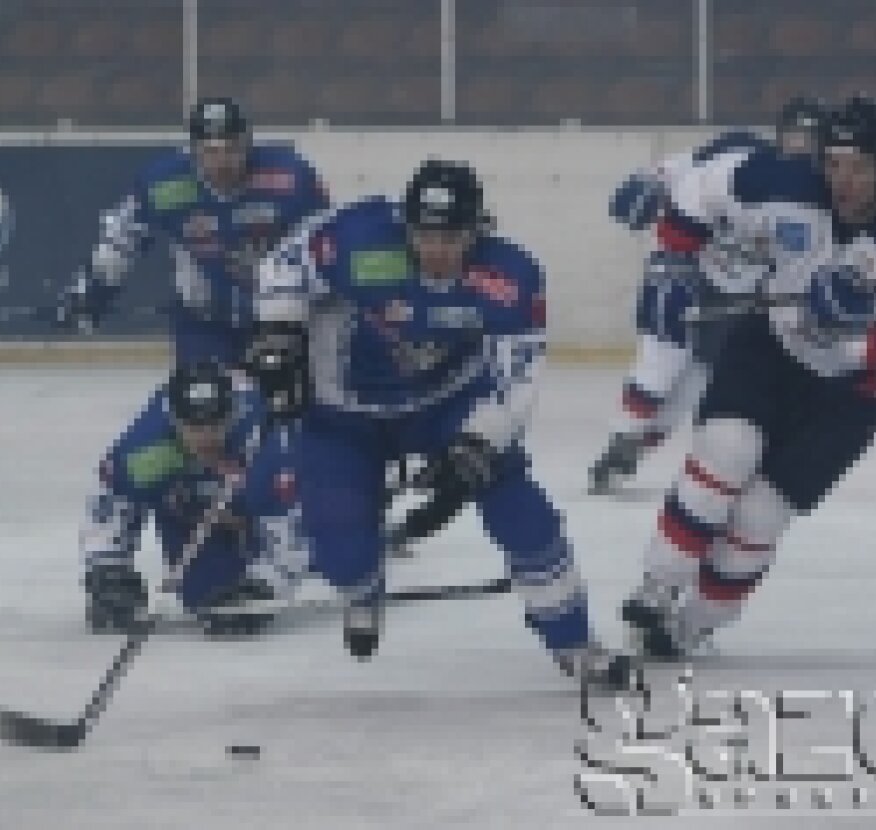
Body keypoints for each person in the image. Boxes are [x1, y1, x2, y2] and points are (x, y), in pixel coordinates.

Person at [253, 159, 633, 689]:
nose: (435, 250)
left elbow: (516, 380)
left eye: (450, 237)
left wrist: (474, 448)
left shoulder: (510, 277)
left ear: (478, 228)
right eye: (422, 235)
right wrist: (280, 337)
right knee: (340, 552)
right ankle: (362, 589)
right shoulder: (357, 235)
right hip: (342, 413)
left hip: (446, 404)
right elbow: (283, 267)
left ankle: (576, 644)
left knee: (527, 519)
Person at [619, 95, 876, 659]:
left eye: (859, 167)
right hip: (771, 346)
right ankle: (657, 585)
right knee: (726, 450)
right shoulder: (783, 180)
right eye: (833, 163)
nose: (841, 181)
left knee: (761, 512)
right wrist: (674, 260)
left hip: (850, 396)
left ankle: (694, 624)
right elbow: (700, 185)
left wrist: (857, 320)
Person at [589, 97, 830, 493]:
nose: (801, 147)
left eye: (810, 139)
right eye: (794, 136)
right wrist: (648, 181)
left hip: (738, 294)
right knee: (665, 349)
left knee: (697, 379)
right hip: (686, 264)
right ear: (780, 135)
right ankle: (625, 431)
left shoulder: (821, 196)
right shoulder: (739, 153)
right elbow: (679, 171)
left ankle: (634, 446)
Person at [57, 97, 329, 367]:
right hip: (203, 322)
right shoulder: (164, 183)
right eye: (210, 151)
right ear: (192, 150)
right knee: (205, 400)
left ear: (248, 144)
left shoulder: (290, 175)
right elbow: (121, 241)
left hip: (277, 319)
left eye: (232, 149)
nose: (222, 163)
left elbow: (325, 240)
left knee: (281, 400)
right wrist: (91, 292)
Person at [81, 360, 310, 637]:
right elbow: (110, 500)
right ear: (173, 418)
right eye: (193, 428)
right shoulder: (147, 448)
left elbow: (293, 520)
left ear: (233, 413)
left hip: (276, 503)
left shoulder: (266, 443)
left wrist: (265, 585)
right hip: (193, 508)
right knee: (204, 598)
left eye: (215, 426)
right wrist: (108, 567)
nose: (205, 438)